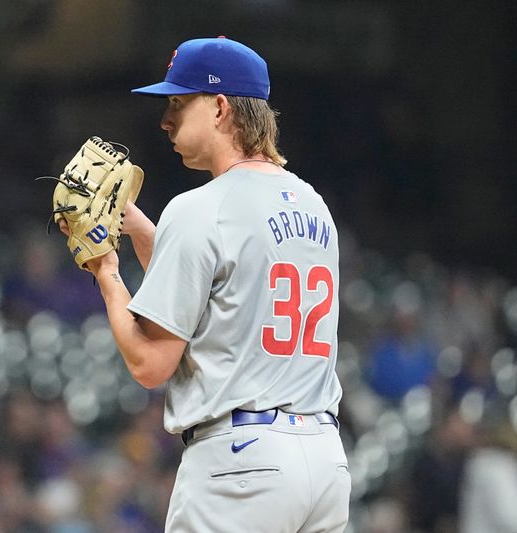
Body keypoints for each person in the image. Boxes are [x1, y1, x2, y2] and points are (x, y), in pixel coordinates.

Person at [61, 36, 350, 532]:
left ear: (219, 108)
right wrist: (136, 226)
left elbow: (150, 365)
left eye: (178, 102)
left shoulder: (200, 208)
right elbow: (220, 295)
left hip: (240, 465)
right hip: (324, 462)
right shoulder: (313, 203)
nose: (165, 120)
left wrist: (107, 273)